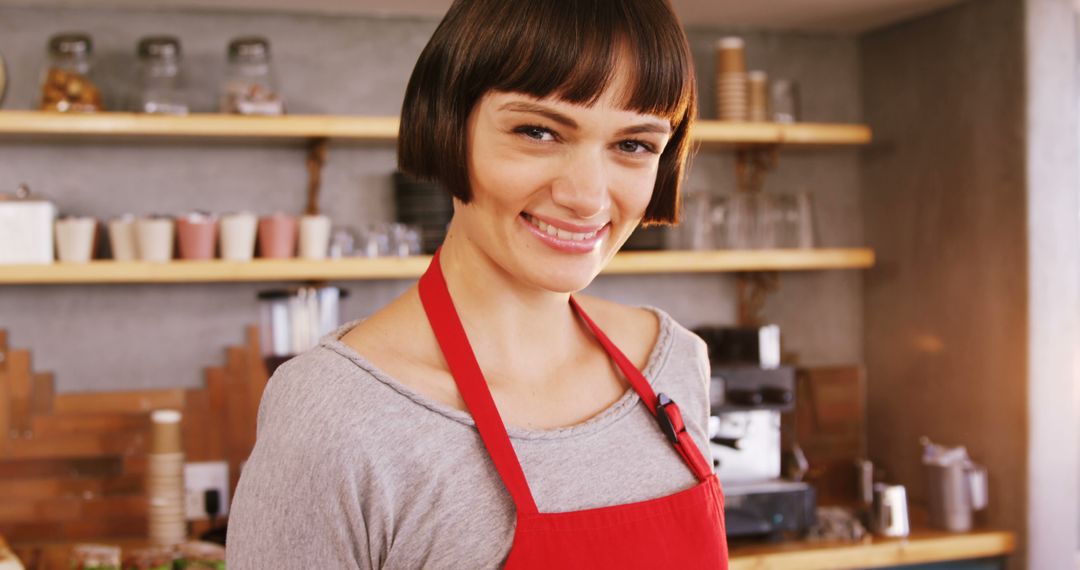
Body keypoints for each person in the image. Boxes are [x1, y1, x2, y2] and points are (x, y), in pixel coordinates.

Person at [227, 0, 728, 567]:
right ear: (447, 124)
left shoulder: (677, 363)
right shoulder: (336, 413)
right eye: (538, 131)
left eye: (634, 145)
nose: (588, 196)